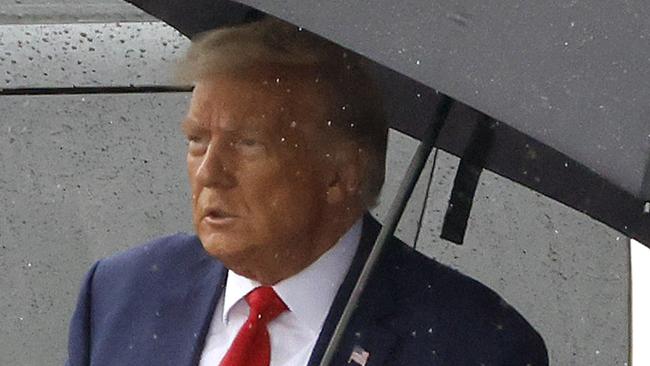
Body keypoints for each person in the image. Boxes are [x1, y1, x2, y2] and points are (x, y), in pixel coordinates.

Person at [66, 17, 548, 366]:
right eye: (197, 140)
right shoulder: (121, 294)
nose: (210, 172)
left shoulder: (473, 344)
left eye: (247, 143)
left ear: (341, 174)